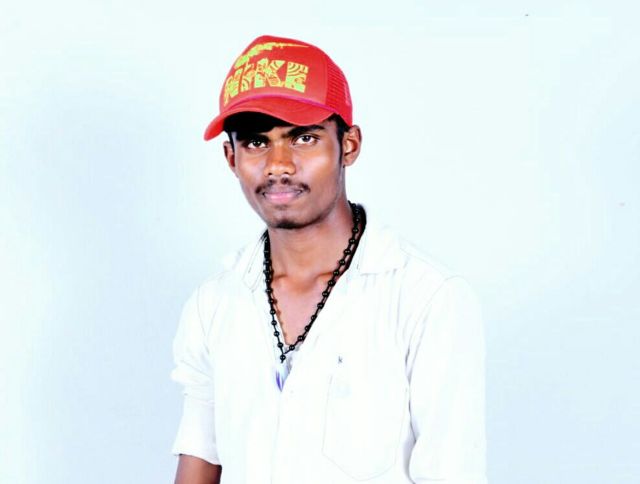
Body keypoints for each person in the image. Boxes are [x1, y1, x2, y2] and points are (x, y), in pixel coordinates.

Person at [171, 34, 487, 484]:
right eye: (256, 143)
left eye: (303, 137)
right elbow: (200, 459)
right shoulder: (215, 303)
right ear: (231, 157)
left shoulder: (426, 298)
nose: (279, 164)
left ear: (349, 146)